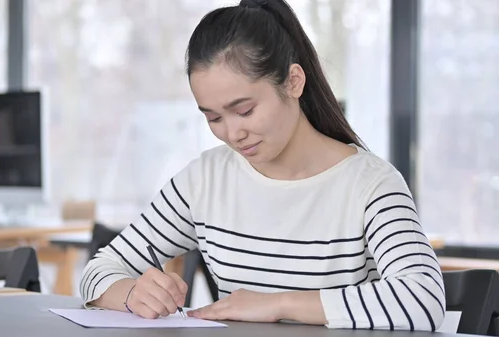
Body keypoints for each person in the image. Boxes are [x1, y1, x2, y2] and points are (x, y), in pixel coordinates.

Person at [80, 0, 446, 331]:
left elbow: (423, 298)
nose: (233, 134)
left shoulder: (371, 185)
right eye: (213, 118)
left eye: (245, 110)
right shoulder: (205, 180)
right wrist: (131, 294)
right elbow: (99, 270)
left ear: (293, 82)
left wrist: (274, 305)